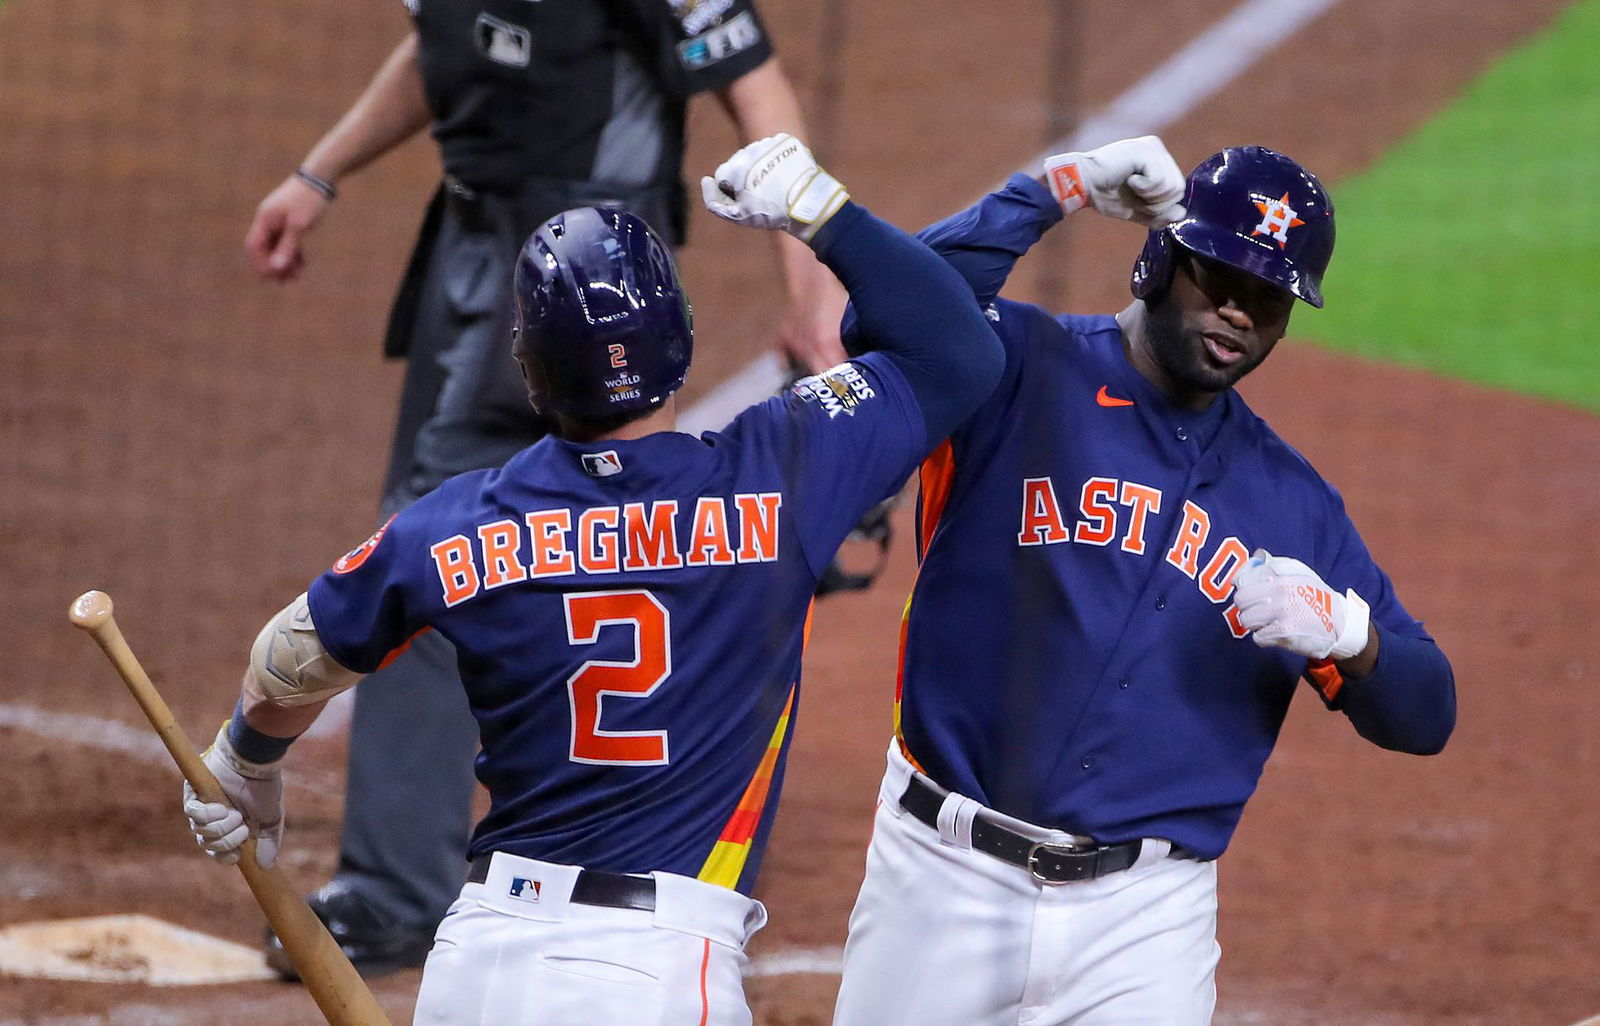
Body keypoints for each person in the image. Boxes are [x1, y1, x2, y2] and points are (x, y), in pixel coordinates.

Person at [184, 133, 1002, 1024]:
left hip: (479, 960)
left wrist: (245, 762)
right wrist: (822, 211)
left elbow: (292, 655)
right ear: (681, 338)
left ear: (530, 369)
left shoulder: (458, 522)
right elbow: (957, 350)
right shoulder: (782, 471)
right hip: (649, 975)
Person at [243, 0, 850, 975]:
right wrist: (321, 172)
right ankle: (413, 879)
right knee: (481, 536)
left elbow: (755, 85)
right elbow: (444, 47)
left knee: (452, 554)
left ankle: (409, 887)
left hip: (596, 266)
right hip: (474, 247)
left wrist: (811, 287)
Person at [830, 137, 1457, 1025]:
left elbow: (1428, 714)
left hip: (1144, 924)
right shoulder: (1018, 366)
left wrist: (1352, 637)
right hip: (942, 877)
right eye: (1221, 279)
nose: (1238, 313)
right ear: (1160, 258)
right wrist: (1051, 190)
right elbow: (890, 311)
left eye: (1267, 299)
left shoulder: (1293, 502)